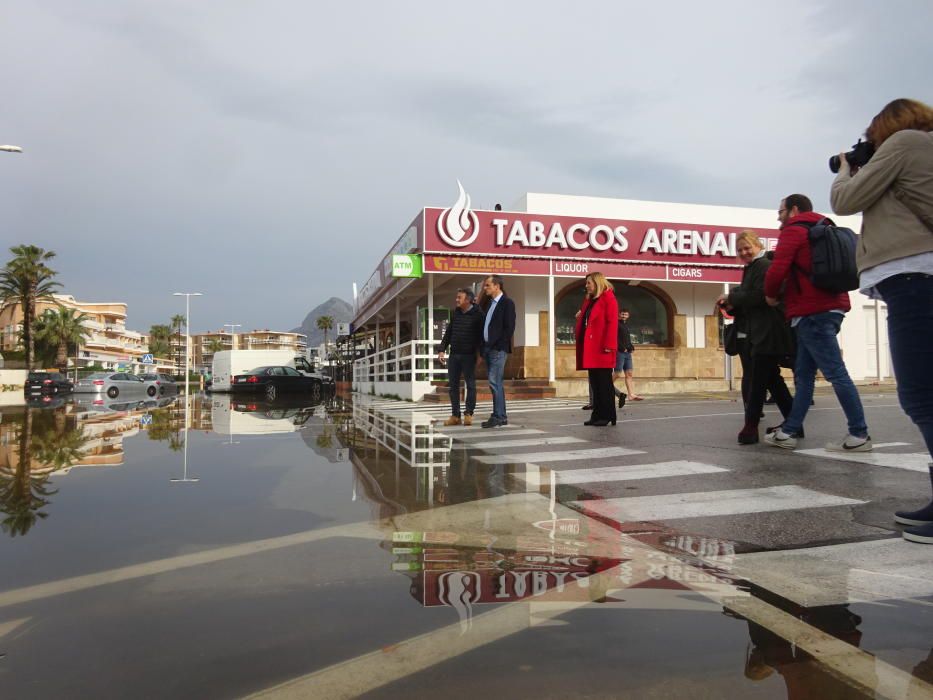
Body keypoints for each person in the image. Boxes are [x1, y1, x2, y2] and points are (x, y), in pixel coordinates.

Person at [829, 98, 933, 545]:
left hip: (914, 277)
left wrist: (846, 166)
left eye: (873, 133)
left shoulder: (906, 142)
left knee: (921, 395)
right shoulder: (922, 146)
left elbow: (844, 200)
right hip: (916, 277)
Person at [763, 194, 872, 452]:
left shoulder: (794, 230)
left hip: (811, 311)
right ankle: (788, 431)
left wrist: (770, 294)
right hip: (831, 307)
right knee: (804, 375)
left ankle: (860, 434)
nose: (778, 216)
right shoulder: (825, 227)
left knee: (836, 373)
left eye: (781, 211)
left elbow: (778, 268)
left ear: (794, 210)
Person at [718, 231, 794, 444]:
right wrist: (733, 304)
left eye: (747, 248)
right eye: (740, 250)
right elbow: (750, 300)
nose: (744, 252)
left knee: (758, 381)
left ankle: (750, 428)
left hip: (768, 332)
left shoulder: (762, 266)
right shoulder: (752, 268)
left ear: (757, 245)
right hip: (760, 331)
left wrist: (731, 297)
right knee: (772, 380)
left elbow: (761, 296)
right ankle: (794, 423)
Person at [575, 272, 619, 426]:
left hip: (602, 347)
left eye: (589, 283)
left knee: (604, 384)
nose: (586, 286)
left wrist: (609, 345)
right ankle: (597, 415)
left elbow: (612, 323)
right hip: (592, 348)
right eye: (586, 283)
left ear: (597, 282)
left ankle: (607, 416)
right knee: (595, 384)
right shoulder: (589, 301)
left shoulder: (608, 298)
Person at [437, 288, 484, 426]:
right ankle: (455, 416)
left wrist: (481, 354)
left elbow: (481, 337)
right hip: (454, 355)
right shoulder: (456, 313)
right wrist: (441, 350)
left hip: (469, 355)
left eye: (459, 297)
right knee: (453, 386)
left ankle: (469, 413)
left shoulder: (478, 315)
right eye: (457, 297)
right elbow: (449, 332)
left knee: (470, 385)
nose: (456, 300)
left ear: (468, 300)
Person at [480, 275, 516, 428]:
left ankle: (498, 416)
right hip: (488, 349)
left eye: (487, 285)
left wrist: (499, 345)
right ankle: (500, 415)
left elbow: (509, 328)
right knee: (495, 383)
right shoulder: (489, 304)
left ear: (497, 286)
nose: (485, 288)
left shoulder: (507, 303)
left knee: (495, 382)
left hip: (498, 349)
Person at [613, 308, 643, 406]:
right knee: (617, 374)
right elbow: (614, 337)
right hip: (620, 352)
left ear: (628, 316)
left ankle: (631, 394)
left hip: (627, 353)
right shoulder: (616, 324)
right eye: (622, 314)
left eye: (625, 314)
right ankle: (605, 385)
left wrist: (631, 347)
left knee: (629, 373)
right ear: (619, 314)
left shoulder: (625, 325)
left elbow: (627, 339)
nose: (624, 316)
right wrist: (621, 348)